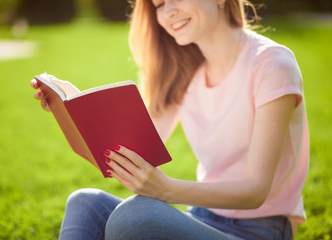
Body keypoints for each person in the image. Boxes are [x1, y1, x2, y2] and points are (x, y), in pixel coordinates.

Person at [31, 0, 309, 239]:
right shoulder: (184, 72)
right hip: (203, 218)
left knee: (133, 216)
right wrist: (71, 104)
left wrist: (168, 190)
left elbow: (256, 191)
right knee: (84, 202)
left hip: (262, 231)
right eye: (159, 4)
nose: (168, 12)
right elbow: (127, 151)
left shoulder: (271, 64)